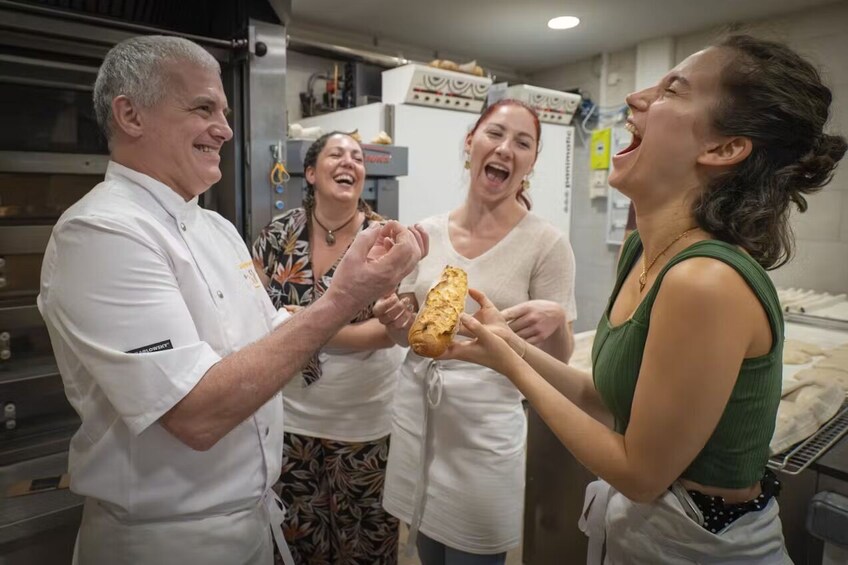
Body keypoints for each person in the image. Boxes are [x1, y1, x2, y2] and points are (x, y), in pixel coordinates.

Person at [444, 35, 847, 563]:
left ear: (723, 148)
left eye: (671, 91)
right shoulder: (641, 252)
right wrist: (510, 349)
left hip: (706, 543)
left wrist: (512, 370)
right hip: (642, 532)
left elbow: (640, 472)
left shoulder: (706, 280)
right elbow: (610, 400)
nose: (636, 99)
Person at [37, 36, 426, 565]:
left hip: (252, 524)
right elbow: (197, 415)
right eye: (203, 108)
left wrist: (377, 308)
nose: (225, 128)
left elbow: (275, 333)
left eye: (224, 109)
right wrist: (344, 296)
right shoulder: (101, 232)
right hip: (169, 542)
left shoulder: (215, 227)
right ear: (130, 115)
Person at [374, 99, 578, 565]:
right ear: (471, 144)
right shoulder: (425, 233)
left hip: (485, 429)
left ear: (531, 163)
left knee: (475, 553)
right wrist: (396, 320)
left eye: (522, 143)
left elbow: (559, 363)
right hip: (419, 417)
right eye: (495, 134)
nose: (506, 149)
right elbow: (411, 341)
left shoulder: (546, 244)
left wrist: (553, 320)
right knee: (426, 551)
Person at [252, 131, 405, 564]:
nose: (350, 162)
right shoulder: (278, 235)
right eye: (337, 154)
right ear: (312, 173)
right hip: (291, 419)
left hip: (364, 423)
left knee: (366, 543)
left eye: (358, 158)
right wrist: (311, 324)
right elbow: (256, 314)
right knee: (298, 541)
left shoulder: (387, 240)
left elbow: (388, 330)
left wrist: (304, 325)